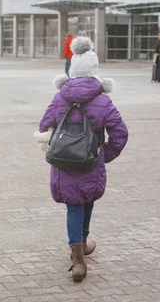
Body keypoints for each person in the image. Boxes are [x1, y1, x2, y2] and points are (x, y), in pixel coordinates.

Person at [38, 36, 129, 282]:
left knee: (74, 205)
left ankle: (78, 257)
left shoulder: (60, 98)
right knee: (86, 199)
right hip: (90, 161)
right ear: (94, 72)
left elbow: (45, 125)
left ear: (72, 70)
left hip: (64, 161)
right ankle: (82, 248)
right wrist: (104, 154)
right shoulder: (103, 100)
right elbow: (120, 133)